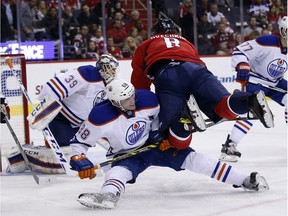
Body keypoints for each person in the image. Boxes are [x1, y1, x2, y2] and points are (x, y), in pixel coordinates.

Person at [69, 78, 269, 210]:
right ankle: (108, 196)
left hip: (155, 145)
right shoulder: (99, 117)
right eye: (126, 99)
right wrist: (80, 159)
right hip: (127, 154)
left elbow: (161, 119)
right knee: (117, 173)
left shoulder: (146, 99)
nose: (133, 99)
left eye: (132, 94)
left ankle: (244, 179)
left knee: (195, 159)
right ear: (115, 103)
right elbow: (79, 143)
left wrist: (163, 136)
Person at [130, 17, 274, 151]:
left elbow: (139, 81)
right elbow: (196, 62)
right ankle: (249, 101)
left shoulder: (146, 44)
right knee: (223, 106)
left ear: (155, 32)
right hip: (197, 70)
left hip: (168, 74)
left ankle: (183, 118)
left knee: (175, 137)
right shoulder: (186, 42)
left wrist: (145, 108)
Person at [5, 54, 120, 174]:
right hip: (60, 119)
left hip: (79, 125)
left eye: (113, 69)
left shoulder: (109, 85)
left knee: (74, 156)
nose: (111, 72)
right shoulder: (89, 73)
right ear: (101, 67)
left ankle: (31, 155)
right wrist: (44, 109)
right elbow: (54, 88)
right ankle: (22, 154)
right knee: (64, 158)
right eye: (108, 68)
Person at [219, 16, 287, 162]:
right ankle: (230, 145)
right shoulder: (266, 42)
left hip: (275, 83)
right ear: (282, 31)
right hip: (255, 81)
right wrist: (242, 65)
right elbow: (239, 51)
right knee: (254, 111)